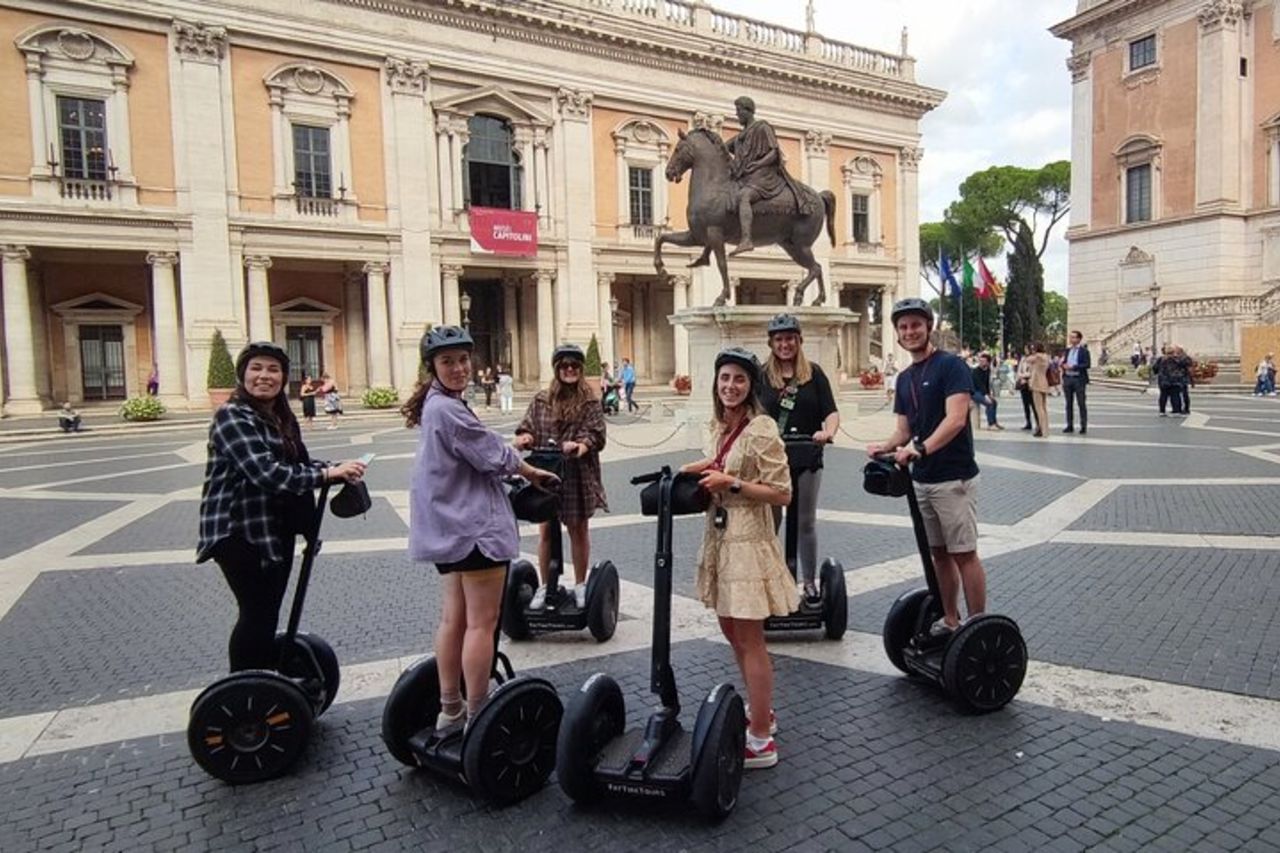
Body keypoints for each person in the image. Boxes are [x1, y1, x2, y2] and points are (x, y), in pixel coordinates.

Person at [403, 327, 560, 729]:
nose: (458, 368)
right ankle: (477, 712)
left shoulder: (435, 405)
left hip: (448, 532)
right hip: (473, 532)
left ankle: (449, 708)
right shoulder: (448, 410)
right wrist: (530, 471)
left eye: (462, 360)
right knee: (481, 624)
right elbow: (491, 453)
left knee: (453, 620)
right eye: (447, 362)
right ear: (432, 367)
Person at [196, 342, 367, 672]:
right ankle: (246, 685)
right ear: (242, 374)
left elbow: (290, 462)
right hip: (239, 533)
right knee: (256, 612)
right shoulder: (232, 416)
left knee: (267, 611)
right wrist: (327, 475)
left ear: (284, 377)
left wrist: (337, 466)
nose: (265, 376)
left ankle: (262, 681)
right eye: (256, 368)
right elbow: (266, 473)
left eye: (273, 369)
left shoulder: (278, 416)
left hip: (275, 528)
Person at [681, 347, 797, 769]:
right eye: (724, 378)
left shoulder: (762, 428)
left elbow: (783, 492)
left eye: (739, 380)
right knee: (730, 629)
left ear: (751, 387)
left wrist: (732, 484)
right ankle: (760, 709)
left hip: (748, 542)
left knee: (750, 639)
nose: (730, 386)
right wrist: (683, 471)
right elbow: (717, 460)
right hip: (721, 537)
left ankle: (762, 738)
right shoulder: (720, 425)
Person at [867, 298, 987, 639]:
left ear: (928, 327)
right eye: (903, 327)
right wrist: (886, 447)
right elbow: (903, 430)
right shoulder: (904, 378)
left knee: (964, 553)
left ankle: (978, 626)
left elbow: (956, 419)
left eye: (916, 325)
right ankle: (951, 619)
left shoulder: (951, 367)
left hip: (954, 477)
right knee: (939, 554)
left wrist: (919, 449)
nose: (909, 332)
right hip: (922, 479)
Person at [514, 344, 609, 611]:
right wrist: (525, 437)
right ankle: (545, 586)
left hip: (577, 473)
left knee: (578, 529)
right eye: (564, 365)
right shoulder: (542, 399)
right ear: (557, 369)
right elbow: (528, 425)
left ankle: (580, 584)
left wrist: (581, 446)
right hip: (546, 471)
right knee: (546, 530)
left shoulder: (590, 401)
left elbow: (597, 434)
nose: (569, 370)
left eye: (575, 366)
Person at [757, 313, 839, 599]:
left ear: (799, 340)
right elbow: (751, 415)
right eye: (779, 339)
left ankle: (809, 583)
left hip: (807, 454)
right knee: (771, 521)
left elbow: (830, 411)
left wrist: (827, 432)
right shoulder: (761, 376)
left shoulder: (813, 374)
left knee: (805, 520)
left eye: (790, 338)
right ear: (771, 343)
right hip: (770, 460)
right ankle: (773, 581)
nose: (785, 344)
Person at [725, 96, 798, 256]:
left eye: (738, 111)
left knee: (744, 196)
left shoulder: (762, 127)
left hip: (763, 175)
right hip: (747, 175)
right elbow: (723, 148)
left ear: (747, 111)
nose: (737, 115)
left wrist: (758, 164)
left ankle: (746, 240)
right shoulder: (740, 136)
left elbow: (774, 152)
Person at [1062, 330, 1091, 435]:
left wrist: (1074, 366)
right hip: (1068, 378)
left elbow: (1087, 364)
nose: (1071, 339)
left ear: (1079, 339)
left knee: (1081, 403)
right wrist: (1064, 365)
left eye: (1074, 337)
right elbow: (1064, 361)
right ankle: (1069, 424)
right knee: (1068, 403)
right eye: (1070, 337)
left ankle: (1083, 425)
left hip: (1079, 379)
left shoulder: (1084, 351)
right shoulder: (1067, 350)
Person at [970, 352, 1003, 430]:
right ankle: (991, 424)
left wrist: (989, 393)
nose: (981, 363)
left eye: (983, 361)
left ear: (988, 362)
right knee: (989, 403)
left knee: (994, 402)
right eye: (980, 361)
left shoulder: (987, 370)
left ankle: (994, 422)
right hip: (974, 392)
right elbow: (979, 385)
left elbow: (986, 384)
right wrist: (986, 395)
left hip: (982, 391)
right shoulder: (976, 371)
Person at [1025, 343, 1051, 437]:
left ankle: (1043, 431)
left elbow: (1027, 359)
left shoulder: (1037, 357)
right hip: (1044, 382)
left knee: (1038, 408)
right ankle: (1046, 429)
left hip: (1036, 383)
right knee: (1044, 408)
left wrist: (1029, 352)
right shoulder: (1046, 356)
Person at [1015, 346, 1039, 433]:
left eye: (1027, 349)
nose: (1026, 350)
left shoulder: (1035, 358)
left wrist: (1025, 376)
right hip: (1023, 383)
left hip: (1031, 383)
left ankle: (1038, 423)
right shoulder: (1023, 359)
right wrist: (1020, 377)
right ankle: (1028, 422)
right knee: (1025, 405)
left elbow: (1034, 371)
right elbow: (1019, 369)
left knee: (1034, 404)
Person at [1154, 345, 1181, 416]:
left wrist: (1158, 373)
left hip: (1163, 380)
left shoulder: (1161, 359)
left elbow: (1155, 368)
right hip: (1175, 380)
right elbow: (1183, 367)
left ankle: (1162, 411)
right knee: (1175, 396)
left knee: (1163, 396)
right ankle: (1176, 411)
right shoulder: (1177, 359)